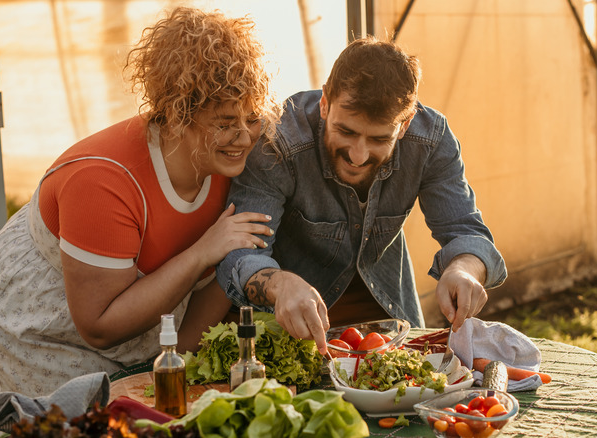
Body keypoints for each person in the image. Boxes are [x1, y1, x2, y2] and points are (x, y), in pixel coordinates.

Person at [0, 7, 280, 437]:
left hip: (144, 311)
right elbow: (98, 327)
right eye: (225, 123)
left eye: (252, 117)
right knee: (60, 425)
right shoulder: (102, 181)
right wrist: (203, 251)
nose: (245, 136)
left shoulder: (233, 163)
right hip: (45, 320)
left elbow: (199, 314)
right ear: (175, 115)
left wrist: (179, 366)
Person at [217, 36, 507, 354]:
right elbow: (240, 254)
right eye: (347, 131)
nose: (358, 155)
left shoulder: (431, 140)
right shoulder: (280, 141)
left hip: (389, 329)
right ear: (326, 103)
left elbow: (467, 233)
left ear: (405, 124)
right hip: (294, 334)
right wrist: (279, 284)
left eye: (379, 139)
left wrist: (463, 269)